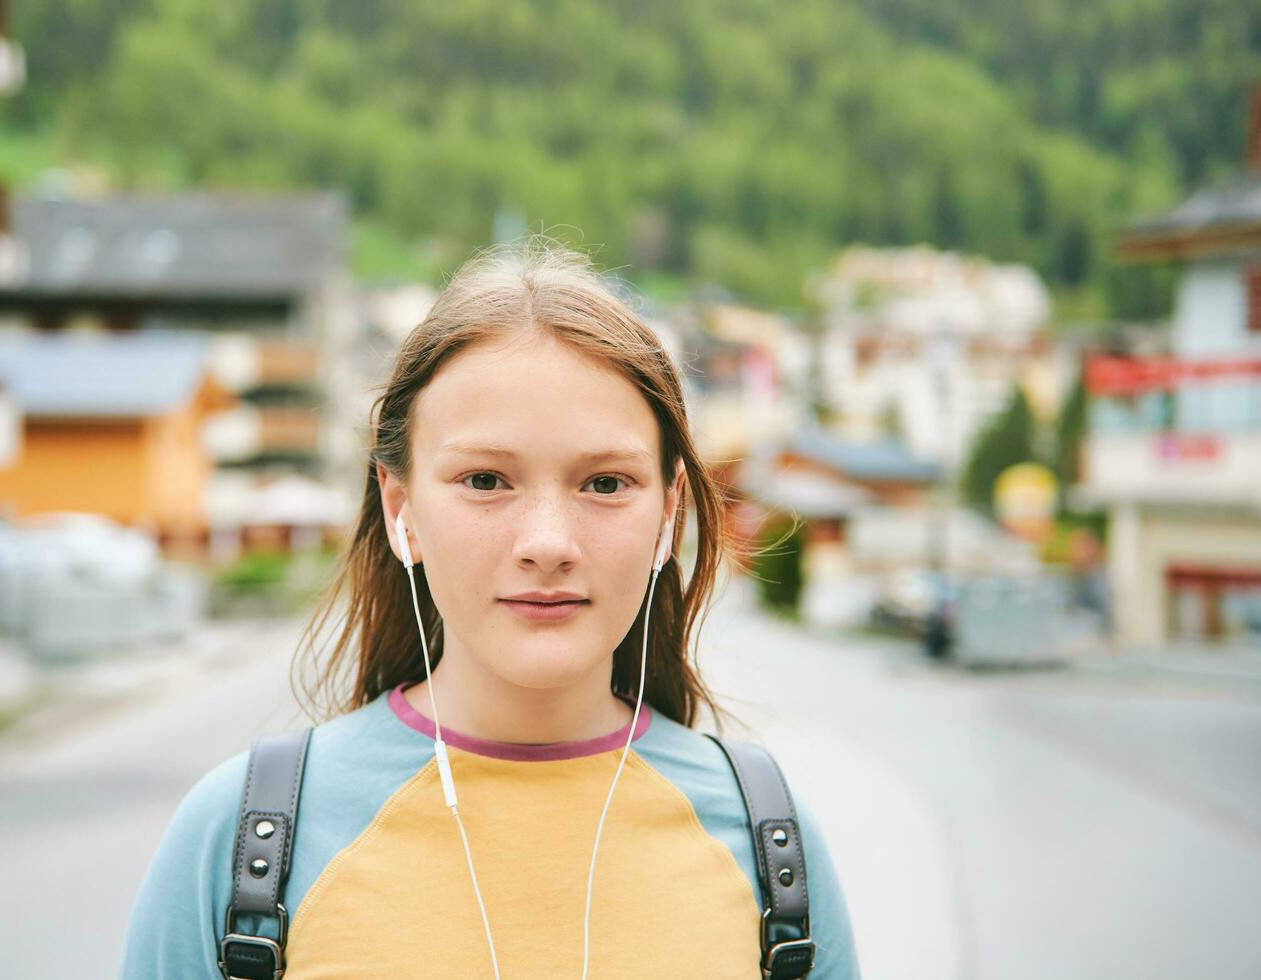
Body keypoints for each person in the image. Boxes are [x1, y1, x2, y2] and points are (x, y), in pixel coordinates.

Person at [119, 239, 861, 978]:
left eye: (604, 484)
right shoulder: (244, 844)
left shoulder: (772, 851)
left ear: (668, 512)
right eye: (484, 480)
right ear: (399, 505)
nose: (547, 543)